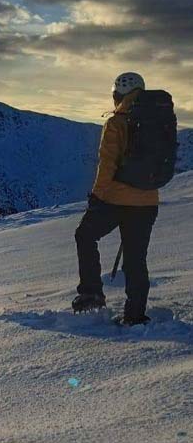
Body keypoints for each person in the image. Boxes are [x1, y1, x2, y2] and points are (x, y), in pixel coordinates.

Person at [72, 72, 176, 325]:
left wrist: (97, 196)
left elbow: (107, 165)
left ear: (118, 92)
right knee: (135, 258)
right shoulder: (161, 118)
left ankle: (91, 294)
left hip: (115, 198)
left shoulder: (118, 121)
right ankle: (135, 314)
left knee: (85, 236)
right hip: (147, 200)